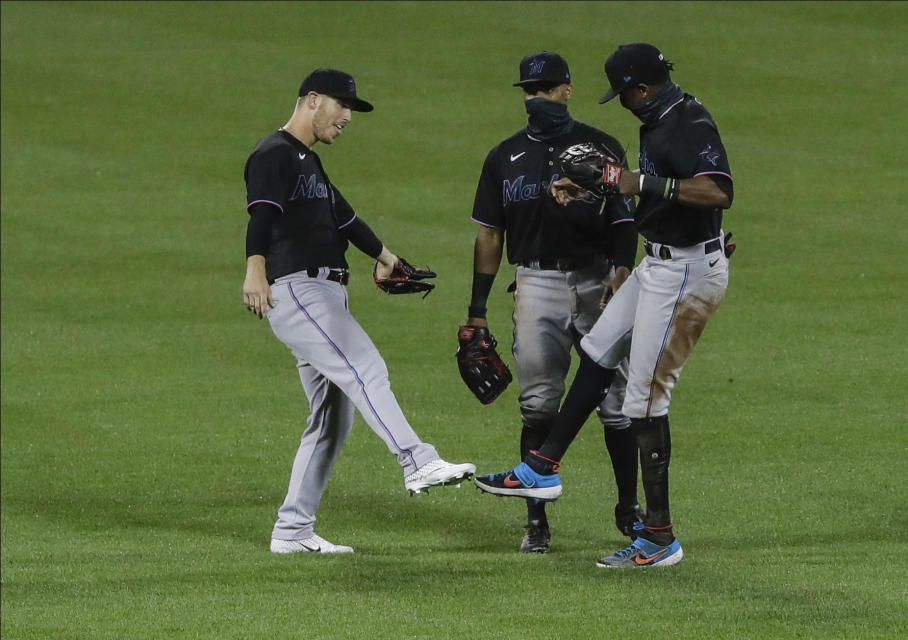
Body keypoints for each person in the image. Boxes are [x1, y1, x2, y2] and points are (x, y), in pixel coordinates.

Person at [475, 43, 734, 569]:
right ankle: (541, 466)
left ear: (641, 88)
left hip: (685, 272)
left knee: (643, 403)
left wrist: (632, 183)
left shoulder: (687, 120)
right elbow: (660, 204)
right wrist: (596, 191)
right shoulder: (658, 119)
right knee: (597, 350)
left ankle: (659, 538)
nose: (620, 103)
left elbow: (717, 192)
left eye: (622, 93)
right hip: (661, 263)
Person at [242, 68, 475, 555]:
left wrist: (386, 258)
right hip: (299, 291)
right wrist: (254, 269)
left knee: (332, 419)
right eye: (342, 106)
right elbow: (262, 213)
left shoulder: (308, 162)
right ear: (312, 100)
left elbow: (344, 217)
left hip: (324, 294)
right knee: (365, 366)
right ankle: (417, 459)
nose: (347, 117)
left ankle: (292, 531)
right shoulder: (274, 154)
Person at [466, 52, 641, 554]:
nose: (537, 98)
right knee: (539, 404)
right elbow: (489, 235)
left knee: (617, 403)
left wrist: (621, 272)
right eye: (530, 90)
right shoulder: (504, 156)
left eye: (547, 88)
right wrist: (478, 308)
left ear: (568, 90)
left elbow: (624, 217)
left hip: (597, 280)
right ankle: (536, 521)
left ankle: (629, 508)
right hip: (534, 284)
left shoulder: (602, 147)